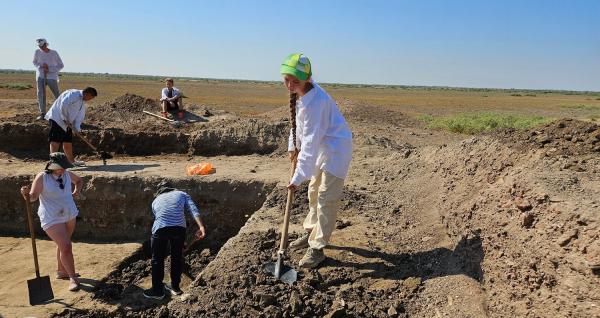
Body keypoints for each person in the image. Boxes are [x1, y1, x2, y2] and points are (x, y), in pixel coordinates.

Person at [280, 53, 353, 269]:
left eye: (296, 81)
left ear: (307, 79)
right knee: (313, 191)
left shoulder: (317, 103)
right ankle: (311, 231)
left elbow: (310, 143)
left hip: (336, 150)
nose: (290, 85)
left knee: (326, 198)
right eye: (287, 80)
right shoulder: (304, 94)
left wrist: (297, 176)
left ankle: (318, 248)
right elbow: (300, 127)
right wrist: (293, 146)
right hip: (323, 147)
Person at [20, 152, 84, 292]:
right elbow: (33, 197)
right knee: (66, 246)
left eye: (64, 167)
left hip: (69, 213)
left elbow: (79, 181)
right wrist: (26, 194)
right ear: (51, 165)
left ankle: (62, 271)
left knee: (63, 244)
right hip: (51, 217)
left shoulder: (66, 174)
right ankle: (72, 277)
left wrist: (76, 191)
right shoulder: (43, 177)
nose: (62, 169)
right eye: (60, 167)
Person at [143, 180, 206, 300]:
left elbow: (161, 218)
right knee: (176, 257)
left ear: (159, 191)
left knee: (157, 259)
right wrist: (201, 226)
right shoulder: (182, 194)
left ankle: (157, 291)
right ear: (172, 189)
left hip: (160, 229)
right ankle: (175, 287)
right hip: (179, 229)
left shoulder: (155, 200)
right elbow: (193, 210)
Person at [45, 87, 98, 166]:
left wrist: (77, 129)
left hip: (68, 123)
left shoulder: (82, 102)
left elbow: (79, 117)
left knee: (67, 141)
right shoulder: (73, 94)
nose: (90, 99)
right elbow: (63, 104)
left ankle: (71, 161)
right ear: (87, 94)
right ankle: (54, 162)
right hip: (57, 119)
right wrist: (64, 118)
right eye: (91, 97)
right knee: (55, 140)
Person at [33, 38, 64, 120]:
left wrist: (49, 69)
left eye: (42, 46)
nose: (41, 48)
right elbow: (34, 62)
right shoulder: (37, 52)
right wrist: (41, 66)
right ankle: (43, 113)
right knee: (41, 95)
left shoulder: (54, 53)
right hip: (40, 76)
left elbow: (61, 65)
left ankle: (61, 112)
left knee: (57, 95)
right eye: (40, 46)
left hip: (52, 77)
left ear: (46, 44)